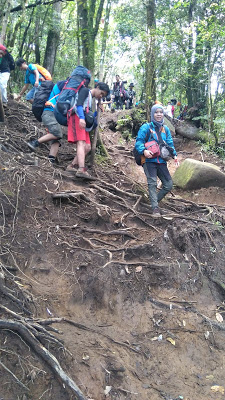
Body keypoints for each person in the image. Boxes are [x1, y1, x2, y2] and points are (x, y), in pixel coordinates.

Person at [135, 104, 179, 216]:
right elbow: (138, 142)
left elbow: (169, 144)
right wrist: (144, 151)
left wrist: (175, 156)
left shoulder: (166, 129)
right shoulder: (146, 127)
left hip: (161, 161)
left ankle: (153, 202)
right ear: (152, 114)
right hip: (149, 161)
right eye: (156, 112)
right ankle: (155, 209)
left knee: (168, 185)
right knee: (152, 183)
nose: (159, 114)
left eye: (161, 112)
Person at [66, 81, 109, 179]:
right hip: (77, 117)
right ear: (97, 87)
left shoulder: (92, 99)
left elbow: (88, 114)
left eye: (103, 96)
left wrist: (97, 111)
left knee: (88, 147)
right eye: (101, 93)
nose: (100, 96)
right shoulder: (85, 91)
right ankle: (81, 169)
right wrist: (81, 118)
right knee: (81, 143)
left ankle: (71, 166)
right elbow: (79, 105)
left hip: (83, 121)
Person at [26, 80, 66, 164]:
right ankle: (34, 143)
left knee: (56, 138)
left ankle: (51, 160)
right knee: (57, 134)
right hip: (49, 113)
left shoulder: (65, 89)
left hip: (52, 115)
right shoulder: (62, 84)